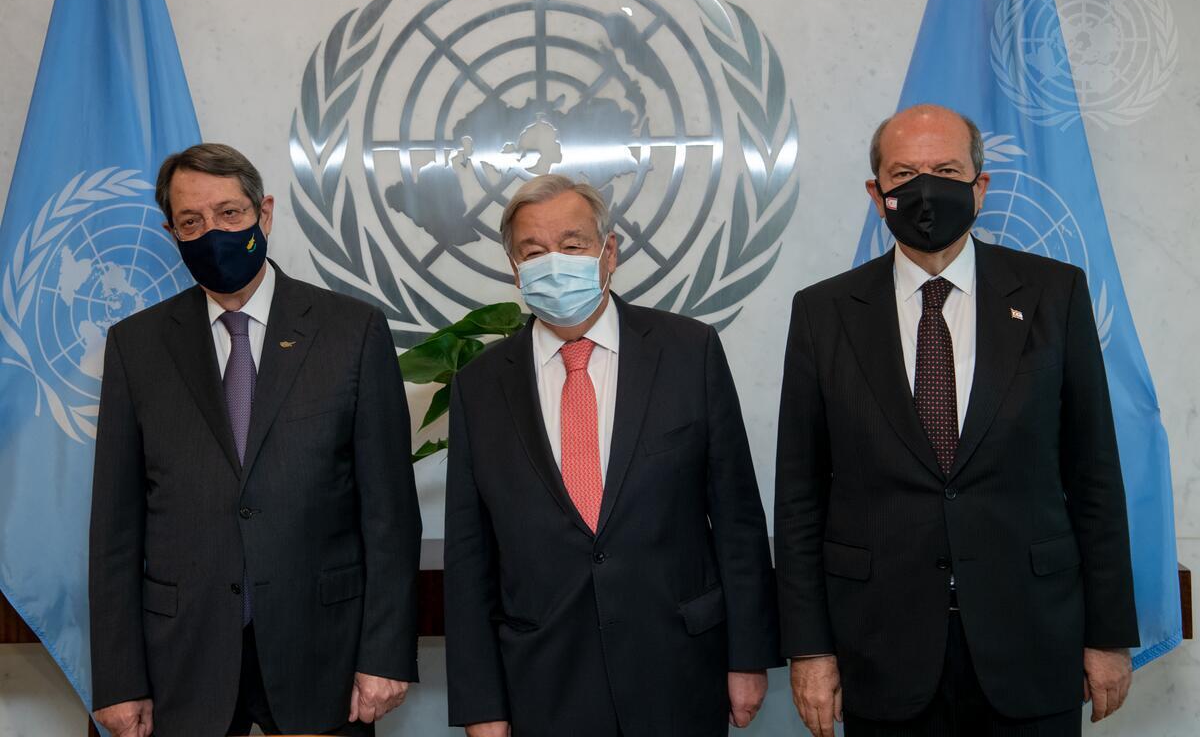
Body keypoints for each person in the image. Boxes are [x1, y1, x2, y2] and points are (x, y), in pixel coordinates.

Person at [774, 104, 1139, 737]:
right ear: (876, 195)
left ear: (980, 186)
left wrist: (1108, 637)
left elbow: (1095, 478)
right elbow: (800, 497)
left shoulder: (1055, 295)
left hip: (1031, 642)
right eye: (904, 174)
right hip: (880, 651)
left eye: (946, 171)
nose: (926, 189)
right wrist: (809, 650)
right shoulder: (823, 313)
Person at [89, 144, 421, 737]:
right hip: (183, 661)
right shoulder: (136, 346)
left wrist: (386, 654)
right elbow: (115, 528)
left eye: (229, 214)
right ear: (171, 233)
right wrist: (119, 679)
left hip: (323, 653)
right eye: (191, 222)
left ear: (263, 214)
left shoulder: (352, 331)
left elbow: (390, 515)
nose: (212, 233)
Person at [443, 174, 781, 737]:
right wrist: (481, 706)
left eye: (573, 245)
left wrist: (748, 658)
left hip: (678, 668)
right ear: (515, 269)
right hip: (544, 681)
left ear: (609, 252)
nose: (555, 262)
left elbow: (737, 519)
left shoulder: (688, 352)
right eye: (534, 251)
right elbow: (468, 556)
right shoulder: (479, 386)